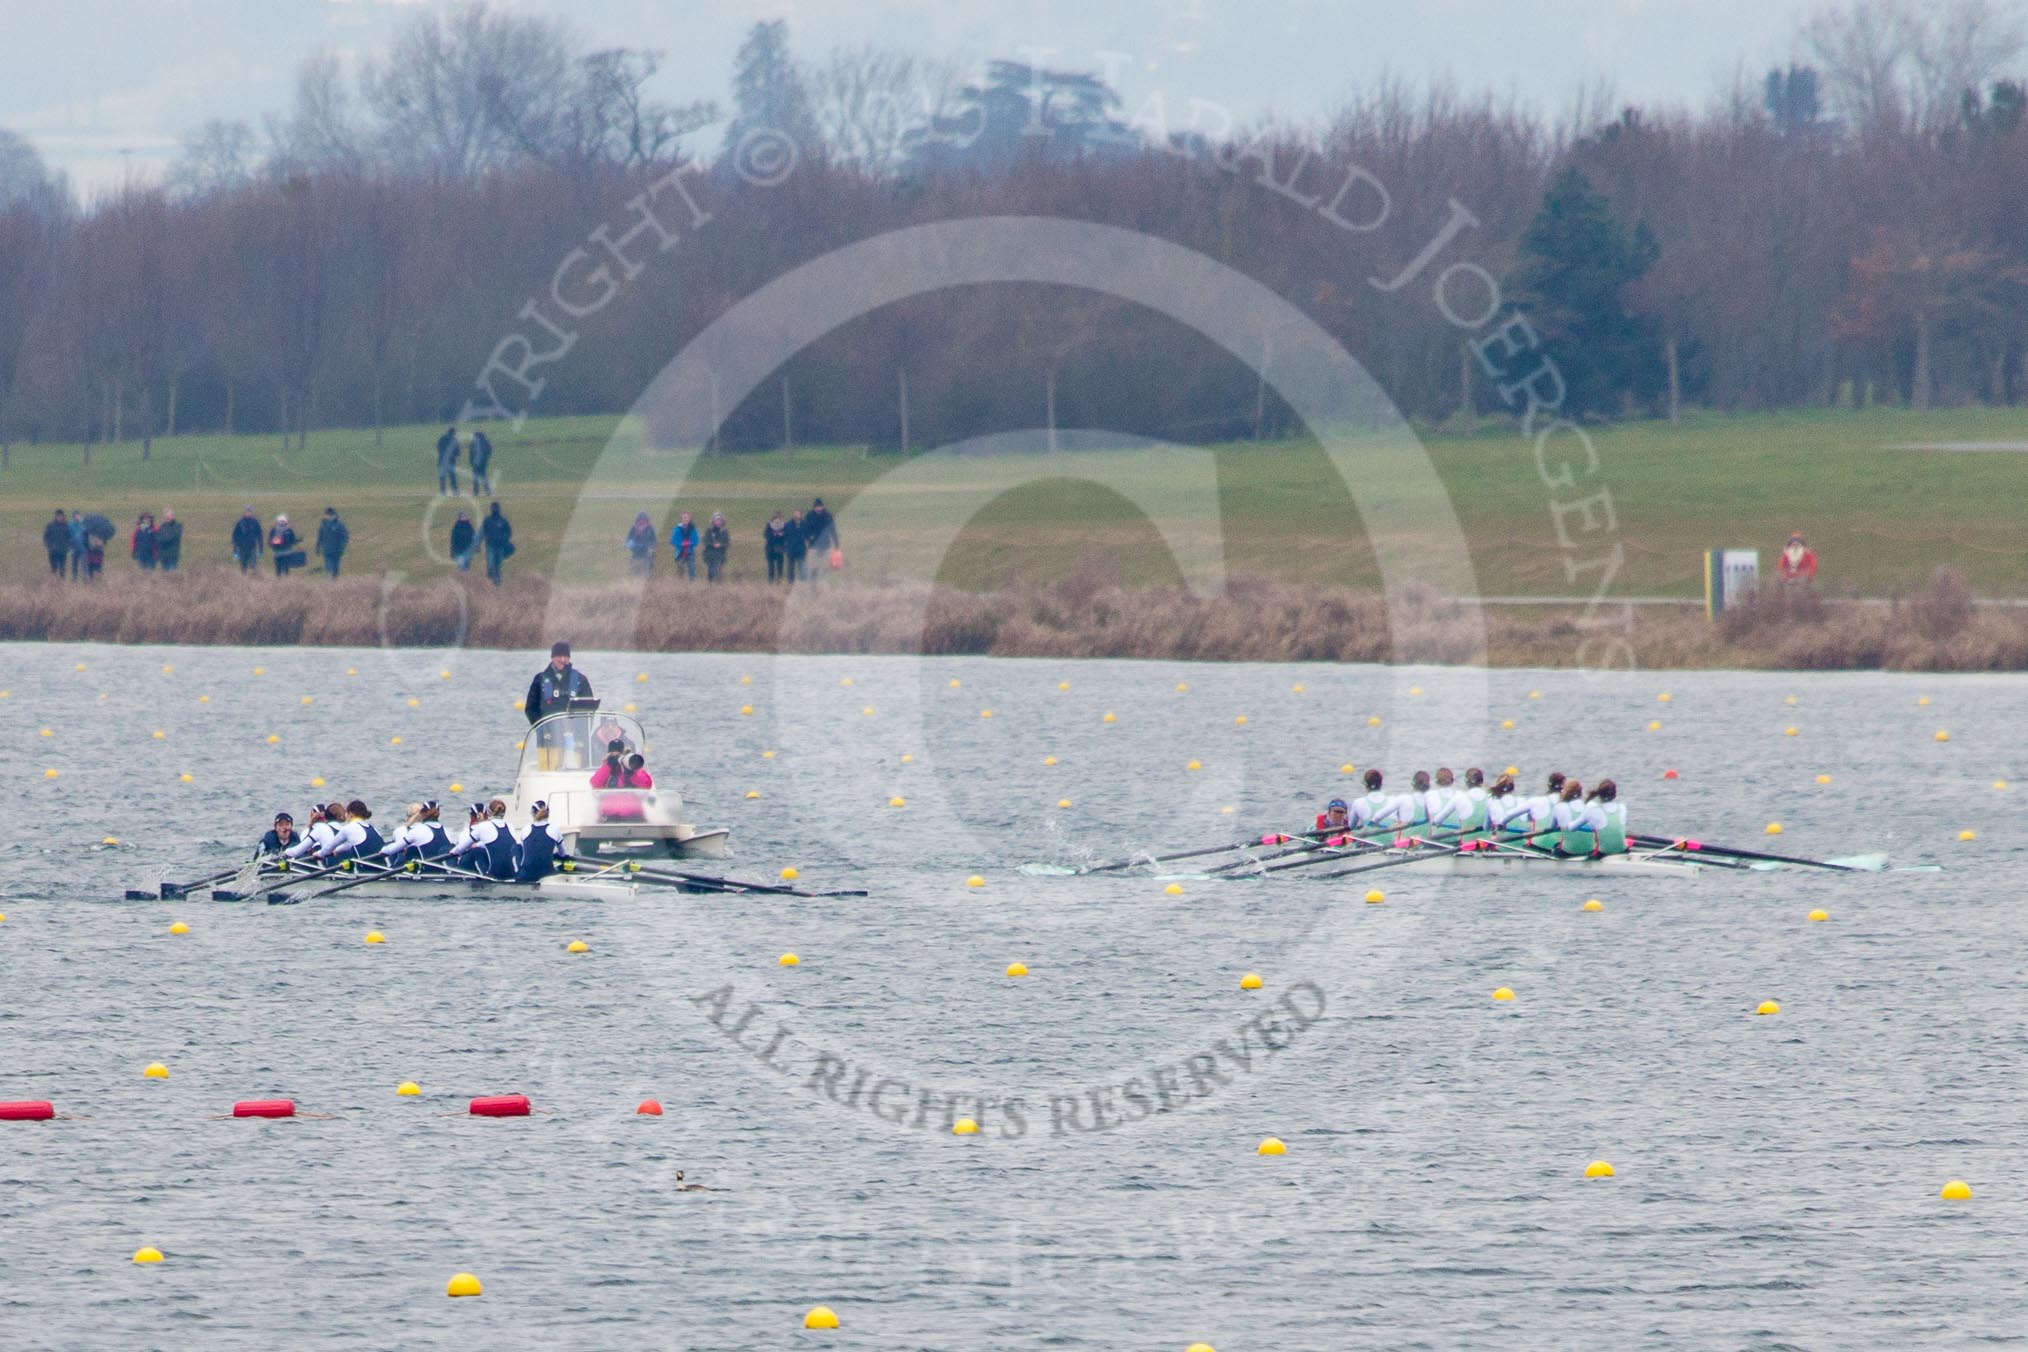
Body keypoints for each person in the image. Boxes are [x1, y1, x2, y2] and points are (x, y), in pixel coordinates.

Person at [526, 641, 595, 724]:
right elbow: (531, 708)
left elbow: (589, 709)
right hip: (548, 732)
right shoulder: (540, 679)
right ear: (552, 658)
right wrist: (541, 728)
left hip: (574, 730)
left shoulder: (581, 680)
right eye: (559, 656)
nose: (562, 659)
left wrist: (581, 729)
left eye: (565, 656)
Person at [513, 800, 566, 881]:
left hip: (527, 875)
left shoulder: (525, 829)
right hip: (547, 873)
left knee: (516, 848)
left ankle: (517, 874)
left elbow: (526, 855)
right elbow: (563, 854)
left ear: (533, 813)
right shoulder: (555, 829)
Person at [1552, 780, 1603, 857]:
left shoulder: (1558, 806)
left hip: (1567, 851)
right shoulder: (1588, 806)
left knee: (1555, 846)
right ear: (1580, 793)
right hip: (1590, 850)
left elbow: (1552, 827)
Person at [804, 497, 839, 576]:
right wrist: (808, 538)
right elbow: (805, 530)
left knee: (826, 566)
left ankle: (824, 582)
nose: (818, 509)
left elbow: (833, 531)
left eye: (820, 507)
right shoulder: (809, 516)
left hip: (826, 545)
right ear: (814, 507)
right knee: (813, 566)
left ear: (823, 506)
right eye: (816, 507)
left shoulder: (828, 516)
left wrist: (837, 544)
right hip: (813, 545)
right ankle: (813, 584)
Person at [481, 502, 513, 584]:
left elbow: (508, 532)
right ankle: (490, 578)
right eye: (493, 508)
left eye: (496, 508)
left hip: (500, 546)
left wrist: (504, 539)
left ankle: (497, 580)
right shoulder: (487, 520)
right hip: (491, 546)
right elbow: (483, 531)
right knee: (491, 564)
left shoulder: (503, 521)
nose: (495, 509)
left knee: (498, 564)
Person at [317, 507, 349, 578]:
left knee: (335, 569)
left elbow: (345, 537)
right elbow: (320, 537)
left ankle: (334, 584)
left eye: (327, 514)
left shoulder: (339, 524)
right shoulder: (323, 525)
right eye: (325, 515)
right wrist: (318, 547)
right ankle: (329, 582)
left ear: (331, 515)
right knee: (329, 568)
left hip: (337, 551)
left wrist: (342, 547)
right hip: (327, 551)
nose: (326, 516)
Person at [624, 511, 657, 577]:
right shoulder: (633, 528)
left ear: (647, 521)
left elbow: (654, 540)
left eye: (644, 520)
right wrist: (634, 542)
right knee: (634, 575)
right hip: (635, 555)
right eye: (640, 520)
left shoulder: (650, 528)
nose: (642, 522)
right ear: (637, 520)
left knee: (646, 575)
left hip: (646, 555)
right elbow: (628, 541)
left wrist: (651, 547)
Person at [231, 506, 263, 572]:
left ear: (251, 513)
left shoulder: (255, 522)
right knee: (243, 566)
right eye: (247, 512)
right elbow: (235, 536)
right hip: (242, 547)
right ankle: (244, 580)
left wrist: (260, 549)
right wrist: (235, 551)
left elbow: (259, 535)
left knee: (252, 566)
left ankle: (252, 579)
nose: (248, 513)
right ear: (244, 513)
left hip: (252, 546)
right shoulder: (240, 523)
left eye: (249, 512)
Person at [671, 511, 699, 580]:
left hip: (689, 551)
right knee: (680, 567)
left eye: (687, 518)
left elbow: (696, 541)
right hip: (679, 551)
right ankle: (680, 582)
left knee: (691, 566)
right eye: (684, 518)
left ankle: (692, 582)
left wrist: (689, 543)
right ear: (681, 519)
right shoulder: (677, 529)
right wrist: (681, 544)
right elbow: (673, 541)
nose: (685, 519)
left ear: (690, 519)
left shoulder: (693, 529)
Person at [783, 508, 808, 583]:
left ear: (801, 515)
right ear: (793, 515)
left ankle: (802, 582)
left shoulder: (804, 524)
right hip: (791, 549)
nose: (796, 515)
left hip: (801, 549)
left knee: (802, 566)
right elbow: (785, 536)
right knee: (790, 568)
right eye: (795, 513)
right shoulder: (788, 524)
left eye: (798, 513)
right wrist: (784, 546)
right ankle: (790, 582)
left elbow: (808, 535)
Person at [703, 512, 729, 582]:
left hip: (720, 555)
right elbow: (705, 541)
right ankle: (710, 584)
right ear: (713, 521)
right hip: (709, 554)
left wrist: (720, 545)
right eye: (716, 520)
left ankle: (718, 586)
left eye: (720, 520)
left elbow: (727, 543)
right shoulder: (709, 530)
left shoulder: (724, 531)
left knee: (718, 571)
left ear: (722, 521)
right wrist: (712, 544)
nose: (718, 522)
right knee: (711, 571)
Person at [42, 510, 68, 577]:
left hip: (63, 551)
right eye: (58, 516)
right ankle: (54, 583)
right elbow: (45, 537)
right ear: (56, 516)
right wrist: (49, 546)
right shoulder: (50, 525)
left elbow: (69, 537)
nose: (60, 517)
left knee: (62, 569)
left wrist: (68, 547)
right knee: (54, 569)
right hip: (53, 551)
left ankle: (62, 584)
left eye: (61, 516)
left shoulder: (66, 525)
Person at [763, 510, 788, 582]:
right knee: (771, 566)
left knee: (780, 566)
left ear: (781, 517)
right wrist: (774, 535)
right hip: (770, 548)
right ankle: (770, 581)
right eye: (775, 517)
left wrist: (782, 535)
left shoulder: (784, 525)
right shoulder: (769, 525)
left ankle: (779, 581)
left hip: (779, 548)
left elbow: (786, 536)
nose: (777, 519)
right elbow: (765, 535)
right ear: (773, 517)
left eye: (778, 517)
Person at [436, 425, 460, 496]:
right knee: (453, 478)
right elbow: (458, 452)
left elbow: (438, 448)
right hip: (451, 462)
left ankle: (443, 492)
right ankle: (455, 492)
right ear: (453, 433)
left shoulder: (441, 438)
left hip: (442, 461)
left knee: (442, 478)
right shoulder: (454, 440)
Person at [469, 427, 493, 495]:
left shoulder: (473, 442)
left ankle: (476, 491)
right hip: (482, 462)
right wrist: (487, 457)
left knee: (476, 477)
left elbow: (471, 453)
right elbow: (489, 450)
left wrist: (471, 462)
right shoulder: (485, 441)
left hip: (476, 462)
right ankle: (487, 491)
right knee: (483, 476)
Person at [67, 510, 87, 579]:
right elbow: (67, 536)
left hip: (83, 549)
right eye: (76, 515)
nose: (78, 517)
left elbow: (86, 535)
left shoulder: (83, 524)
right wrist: (69, 547)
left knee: (84, 565)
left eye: (79, 515)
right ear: (73, 517)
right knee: (74, 565)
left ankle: (86, 579)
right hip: (74, 549)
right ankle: (74, 580)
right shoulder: (70, 525)